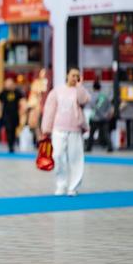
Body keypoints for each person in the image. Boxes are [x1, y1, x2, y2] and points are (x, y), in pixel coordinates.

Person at [41, 67, 91, 196]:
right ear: (67, 75)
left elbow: (84, 100)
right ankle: (61, 184)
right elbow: (49, 110)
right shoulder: (57, 91)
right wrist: (46, 128)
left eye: (77, 76)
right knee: (57, 156)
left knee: (76, 158)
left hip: (75, 129)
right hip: (58, 129)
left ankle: (73, 187)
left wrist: (80, 87)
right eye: (73, 75)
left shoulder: (79, 91)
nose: (75, 78)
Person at [86, 80, 114, 152]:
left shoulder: (92, 96)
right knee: (106, 133)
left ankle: (89, 148)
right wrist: (106, 114)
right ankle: (110, 147)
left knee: (91, 134)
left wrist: (100, 114)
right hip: (104, 119)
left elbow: (93, 106)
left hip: (94, 118)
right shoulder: (105, 96)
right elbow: (109, 106)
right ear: (100, 88)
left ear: (93, 88)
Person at [0, 78, 24, 153]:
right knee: (8, 129)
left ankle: (12, 144)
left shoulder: (17, 92)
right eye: (7, 84)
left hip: (15, 114)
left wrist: (23, 110)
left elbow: (22, 100)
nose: (9, 85)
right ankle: (10, 145)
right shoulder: (4, 92)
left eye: (10, 84)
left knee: (13, 130)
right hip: (6, 115)